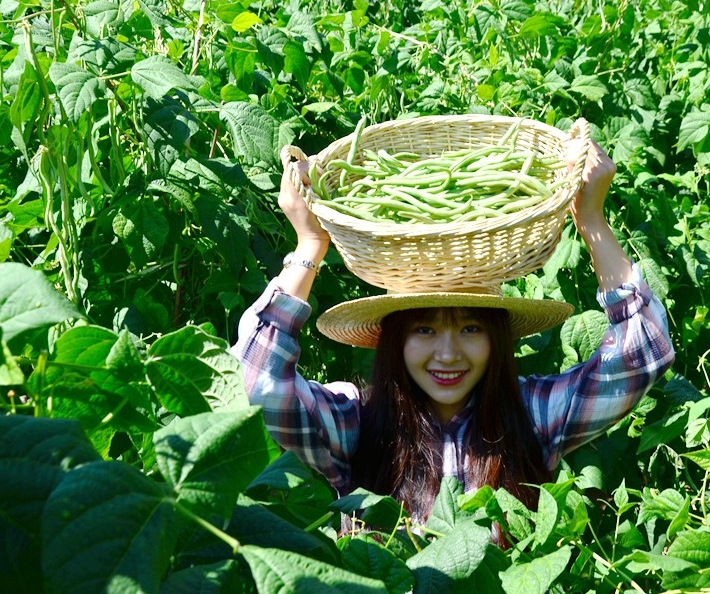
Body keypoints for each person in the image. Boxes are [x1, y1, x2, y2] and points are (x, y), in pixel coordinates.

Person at [233, 136, 675, 523]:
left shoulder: (532, 416)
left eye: (469, 329)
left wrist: (592, 220)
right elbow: (257, 384)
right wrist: (309, 246)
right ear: (394, 341)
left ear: (496, 339)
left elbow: (643, 354)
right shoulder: (356, 425)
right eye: (424, 330)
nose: (447, 354)